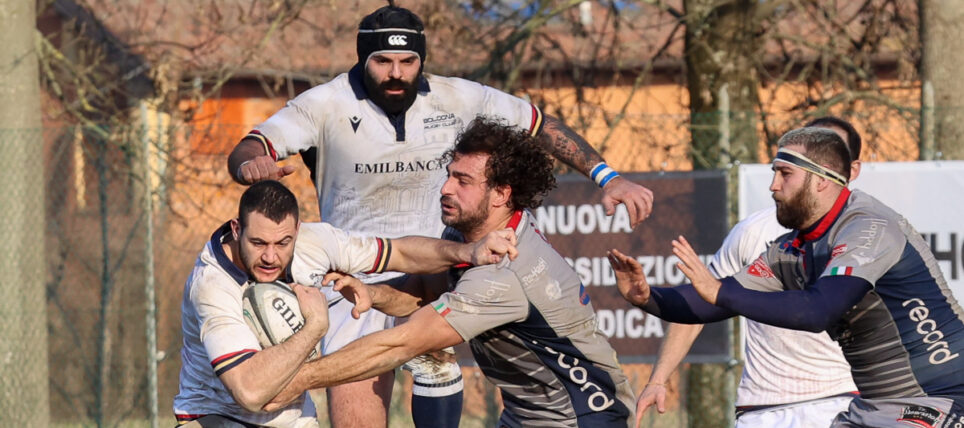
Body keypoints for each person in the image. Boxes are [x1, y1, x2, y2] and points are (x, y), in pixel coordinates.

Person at [224, 4, 654, 427]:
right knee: (358, 392)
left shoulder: (461, 103)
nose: (396, 72)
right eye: (383, 61)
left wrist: (608, 177)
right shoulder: (323, 104)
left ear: (421, 61)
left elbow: (538, 124)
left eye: (408, 61)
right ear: (363, 59)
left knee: (430, 356)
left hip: (446, 259)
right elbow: (252, 145)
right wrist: (251, 164)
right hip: (361, 269)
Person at [263, 117, 637, 427]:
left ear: (501, 194)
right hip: (528, 417)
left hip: (586, 419)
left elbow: (399, 345)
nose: (445, 188)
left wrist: (294, 379)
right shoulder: (474, 234)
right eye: (449, 174)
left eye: (463, 181)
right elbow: (424, 291)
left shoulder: (502, 275)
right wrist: (371, 293)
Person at [610, 127, 964, 427]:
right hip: (875, 406)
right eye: (773, 173)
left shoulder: (868, 227)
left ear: (823, 179)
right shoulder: (792, 249)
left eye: (785, 174)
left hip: (940, 397)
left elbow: (818, 310)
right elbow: (707, 304)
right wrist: (646, 297)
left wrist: (719, 293)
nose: (773, 186)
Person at [173, 180, 517, 427]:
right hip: (214, 417)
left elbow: (400, 252)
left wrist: (467, 252)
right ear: (236, 229)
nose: (269, 256)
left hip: (292, 419)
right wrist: (315, 328)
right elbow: (249, 391)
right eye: (258, 242)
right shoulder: (212, 286)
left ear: (297, 230)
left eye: (283, 243)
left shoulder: (316, 241)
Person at [638, 117, 862, 428]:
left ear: (850, 171)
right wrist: (658, 378)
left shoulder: (867, 234)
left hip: (840, 402)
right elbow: (705, 300)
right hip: (762, 408)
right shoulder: (754, 231)